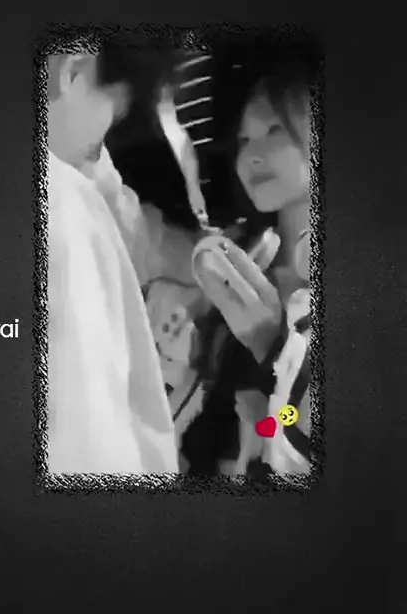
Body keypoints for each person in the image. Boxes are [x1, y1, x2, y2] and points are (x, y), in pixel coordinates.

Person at [47, 42, 197, 477]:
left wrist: (204, 264)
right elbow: (88, 447)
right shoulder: (62, 207)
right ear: (72, 71)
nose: (97, 151)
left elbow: (127, 224)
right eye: (109, 124)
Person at [193, 46, 315, 482]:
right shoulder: (235, 262)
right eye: (244, 141)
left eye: (274, 129)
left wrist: (272, 344)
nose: (252, 155)